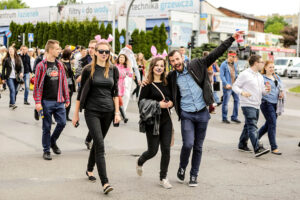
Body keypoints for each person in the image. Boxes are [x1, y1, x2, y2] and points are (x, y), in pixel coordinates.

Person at [164, 30, 244, 187]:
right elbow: (159, 85)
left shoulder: (196, 64)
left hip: (202, 113)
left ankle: (194, 175)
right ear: (171, 63)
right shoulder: (172, 77)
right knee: (188, 144)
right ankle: (182, 167)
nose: (176, 63)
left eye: (177, 59)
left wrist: (231, 39)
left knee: (198, 146)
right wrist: (146, 82)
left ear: (182, 58)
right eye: (172, 61)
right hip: (186, 113)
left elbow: (215, 54)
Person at [72, 41, 121, 195]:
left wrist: (117, 112)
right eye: (101, 51)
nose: (104, 54)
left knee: (97, 143)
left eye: (107, 52)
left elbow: (115, 92)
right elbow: (80, 94)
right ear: (95, 52)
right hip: (92, 111)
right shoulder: (88, 70)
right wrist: (75, 114)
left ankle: (89, 168)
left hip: (108, 112)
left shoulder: (113, 69)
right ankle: (105, 182)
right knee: (100, 144)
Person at [137, 57, 174, 189]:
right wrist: (158, 105)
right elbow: (141, 103)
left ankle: (163, 177)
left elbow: (171, 97)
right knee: (153, 151)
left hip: (166, 121)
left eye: (162, 66)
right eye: (156, 65)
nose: (159, 68)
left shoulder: (167, 82)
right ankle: (140, 160)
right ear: (152, 67)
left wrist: (171, 103)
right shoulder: (147, 84)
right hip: (152, 122)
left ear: (164, 68)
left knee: (166, 150)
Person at [33, 40, 70, 160]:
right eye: (57, 49)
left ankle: (52, 141)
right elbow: (37, 86)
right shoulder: (41, 66)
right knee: (47, 127)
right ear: (50, 50)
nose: (59, 51)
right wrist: (38, 102)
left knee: (62, 123)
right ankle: (46, 150)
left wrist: (67, 98)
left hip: (59, 100)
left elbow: (64, 82)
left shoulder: (59, 65)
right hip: (46, 102)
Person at [232, 55, 271, 157]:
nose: (263, 64)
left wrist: (267, 91)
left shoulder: (259, 76)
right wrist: (242, 93)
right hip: (247, 103)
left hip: (257, 104)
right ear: (256, 63)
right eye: (261, 62)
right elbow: (235, 86)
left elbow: (262, 91)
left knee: (248, 125)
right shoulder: (245, 74)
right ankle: (257, 147)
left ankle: (242, 144)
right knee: (252, 125)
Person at [74, 39, 97, 150]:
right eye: (90, 47)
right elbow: (77, 78)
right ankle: (96, 146)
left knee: (99, 126)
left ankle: (89, 139)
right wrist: (86, 72)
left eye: (93, 47)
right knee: (95, 125)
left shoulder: (106, 61)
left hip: (101, 97)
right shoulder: (82, 61)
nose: (91, 50)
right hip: (87, 96)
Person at [258, 61, 284, 155]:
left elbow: (281, 87)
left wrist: (282, 92)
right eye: (270, 67)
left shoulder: (276, 76)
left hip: (276, 103)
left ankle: (255, 138)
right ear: (265, 68)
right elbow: (259, 89)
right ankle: (274, 147)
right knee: (272, 123)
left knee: (268, 124)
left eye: (273, 67)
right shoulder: (262, 78)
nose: (272, 69)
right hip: (266, 103)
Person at [220, 50, 240, 124]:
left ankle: (234, 117)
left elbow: (236, 74)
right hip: (227, 87)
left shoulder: (234, 64)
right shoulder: (224, 64)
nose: (234, 58)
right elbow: (221, 75)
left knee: (237, 101)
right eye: (233, 56)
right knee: (226, 103)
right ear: (229, 56)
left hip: (234, 86)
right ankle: (224, 117)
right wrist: (226, 83)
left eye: (234, 56)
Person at [115, 54, 132, 123]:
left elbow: (130, 75)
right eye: (120, 57)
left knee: (119, 101)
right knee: (119, 100)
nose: (121, 59)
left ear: (125, 60)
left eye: (123, 58)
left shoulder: (126, 68)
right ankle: (124, 116)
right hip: (115, 85)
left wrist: (130, 68)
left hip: (122, 85)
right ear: (118, 59)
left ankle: (119, 115)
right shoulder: (115, 66)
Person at [61, 49, 76, 121]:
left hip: (70, 83)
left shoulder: (70, 62)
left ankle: (66, 116)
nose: (72, 56)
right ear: (68, 55)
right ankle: (62, 115)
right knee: (63, 100)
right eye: (71, 54)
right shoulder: (60, 62)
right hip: (64, 83)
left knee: (69, 99)